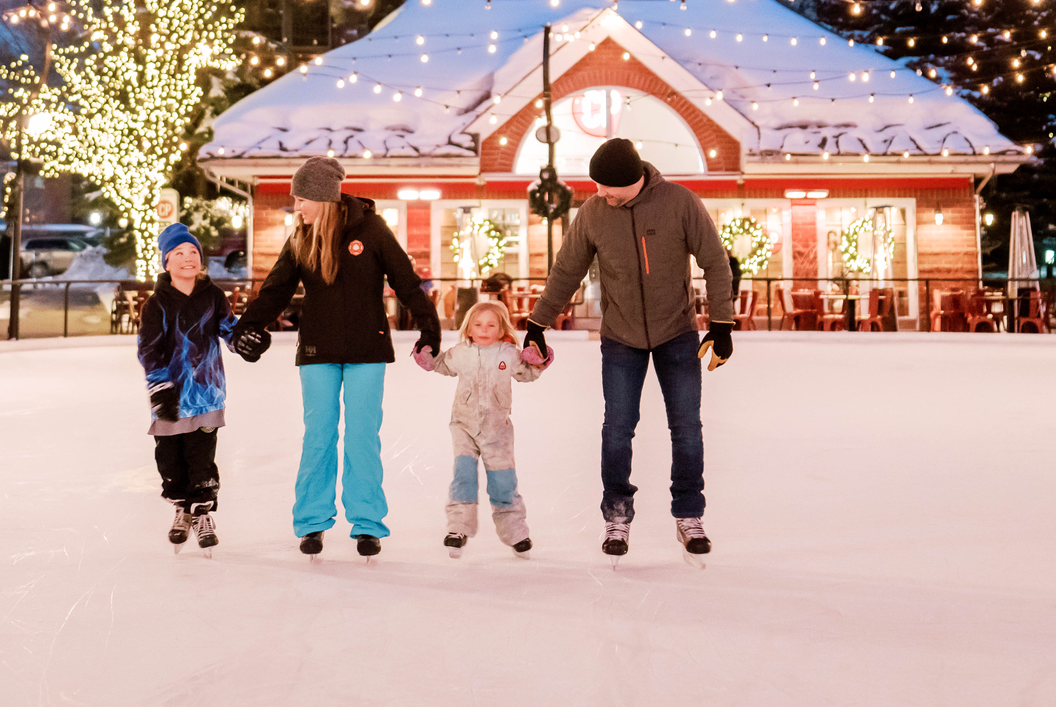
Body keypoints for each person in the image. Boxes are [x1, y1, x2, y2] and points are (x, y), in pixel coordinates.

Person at [524, 137, 735, 562]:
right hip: (620, 337)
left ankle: (689, 514)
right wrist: (537, 323)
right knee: (617, 429)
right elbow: (567, 270)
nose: (600, 193)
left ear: (633, 180)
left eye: (607, 187)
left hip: (677, 332)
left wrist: (721, 323)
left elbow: (715, 260)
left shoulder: (680, 203)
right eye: (597, 186)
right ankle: (616, 515)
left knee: (686, 428)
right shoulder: (593, 213)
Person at [231, 157, 441, 559]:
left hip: (366, 349)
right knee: (319, 437)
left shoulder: (372, 230)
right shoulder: (301, 237)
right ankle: (312, 522)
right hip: (317, 351)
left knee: (363, 437)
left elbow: (406, 283)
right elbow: (275, 290)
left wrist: (429, 331)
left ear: (322, 197)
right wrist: (246, 327)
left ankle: (367, 524)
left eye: (301, 197)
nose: (296, 204)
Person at [419, 297, 544, 559]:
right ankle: (458, 528)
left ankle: (516, 533)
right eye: (478, 324)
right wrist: (428, 359)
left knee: (503, 483)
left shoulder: (508, 355)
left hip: (497, 430)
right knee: (463, 478)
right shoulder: (460, 353)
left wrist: (539, 360)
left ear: (501, 330)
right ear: (469, 328)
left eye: (490, 325)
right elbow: (442, 364)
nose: (484, 329)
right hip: (464, 426)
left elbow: (527, 373)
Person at [139, 223, 237, 553]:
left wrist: (245, 341)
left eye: (193, 252)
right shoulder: (157, 304)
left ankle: (203, 513)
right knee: (170, 461)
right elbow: (148, 349)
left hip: (207, 394)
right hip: (169, 396)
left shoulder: (213, 297)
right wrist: (160, 385)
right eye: (178, 253)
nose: (187, 258)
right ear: (166, 263)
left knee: (202, 460)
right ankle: (182, 508)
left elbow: (229, 330)